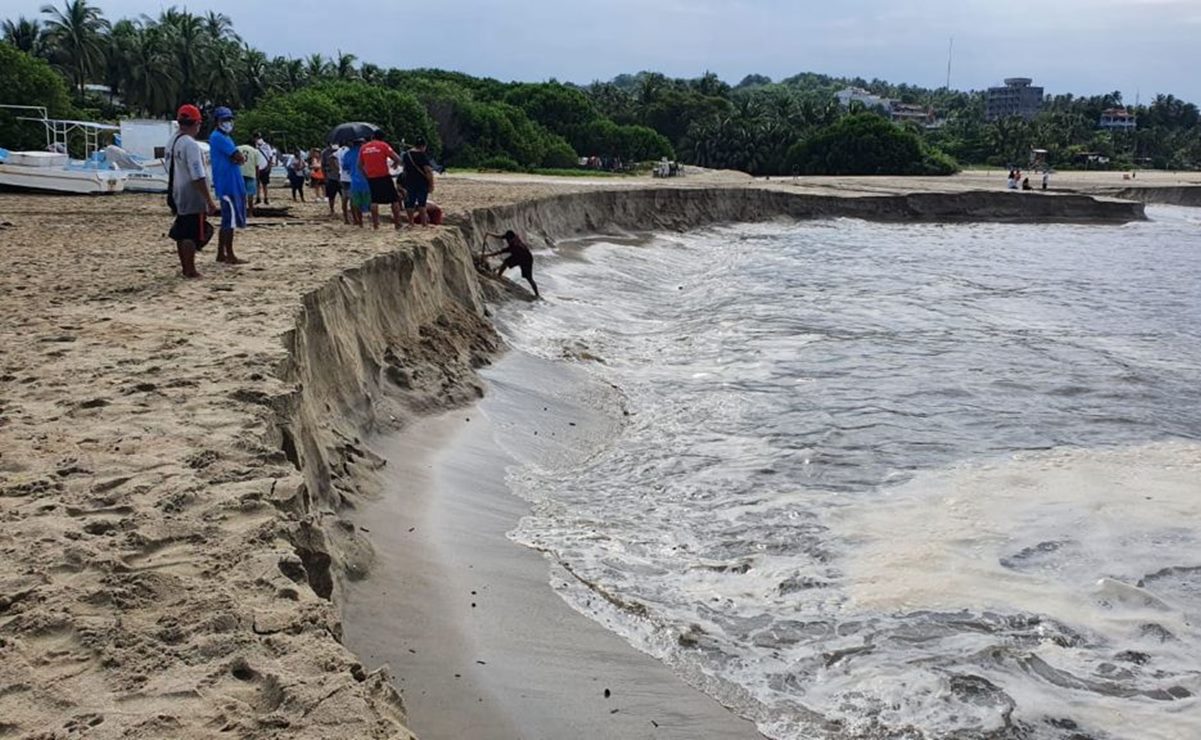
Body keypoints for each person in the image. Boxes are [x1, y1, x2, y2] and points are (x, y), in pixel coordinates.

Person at [166, 104, 219, 279]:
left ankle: (185, 267)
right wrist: (209, 200)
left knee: (183, 229)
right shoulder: (191, 145)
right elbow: (198, 175)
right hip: (191, 192)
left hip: (175, 190)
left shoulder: (172, 141)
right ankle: (190, 269)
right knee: (192, 231)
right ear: (196, 123)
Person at [208, 106, 248, 265]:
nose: (228, 123)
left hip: (230, 182)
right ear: (217, 121)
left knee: (227, 220)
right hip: (227, 184)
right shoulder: (219, 137)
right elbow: (238, 156)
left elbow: (238, 157)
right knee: (229, 221)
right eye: (225, 120)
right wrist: (237, 158)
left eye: (229, 119)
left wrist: (238, 158)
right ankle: (229, 254)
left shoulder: (224, 137)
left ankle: (220, 253)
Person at [359, 129, 404, 229]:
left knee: (374, 201)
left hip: (371, 177)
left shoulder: (364, 147)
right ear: (383, 138)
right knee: (394, 200)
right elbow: (398, 158)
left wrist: (366, 175)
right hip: (384, 176)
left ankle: (376, 224)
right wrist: (395, 164)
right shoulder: (384, 145)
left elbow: (360, 165)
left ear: (372, 136)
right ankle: (398, 223)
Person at [482, 230, 539, 298]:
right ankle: (499, 276)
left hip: (526, 260)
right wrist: (489, 233)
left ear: (511, 239)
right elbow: (500, 237)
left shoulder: (515, 245)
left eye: (508, 240)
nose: (507, 241)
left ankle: (537, 294)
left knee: (529, 278)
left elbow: (500, 252)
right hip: (519, 256)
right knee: (505, 262)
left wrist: (486, 255)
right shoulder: (512, 239)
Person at [401, 137, 436, 226]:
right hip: (421, 182)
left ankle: (410, 222)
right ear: (423, 146)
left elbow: (404, 168)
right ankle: (424, 223)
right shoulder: (422, 155)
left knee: (410, 203)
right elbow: (428, 170)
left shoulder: (406, 155)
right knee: (422, 203)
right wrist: (431, 184)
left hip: (409, 181)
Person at [343, 138, 369, 227]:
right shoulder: (365, 151)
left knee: (356, 201)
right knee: (370, 201)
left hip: (354, 179)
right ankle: (374, 222)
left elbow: (345, 167)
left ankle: (359, 220)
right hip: (367, 179)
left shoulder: (348, 153)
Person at [237, 142, 265, 215]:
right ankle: (250, 213)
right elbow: (257, 166)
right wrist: (257, 177)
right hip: (250, 174)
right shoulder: (255, 151)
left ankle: (241, 212)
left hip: (239, 173)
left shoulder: (237, 149)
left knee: (240, 195)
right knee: (250, 194)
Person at [321, 144, 344, 218]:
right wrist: (325, 177)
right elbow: (323, 165)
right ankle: (332, 210)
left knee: (344, 196)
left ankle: (344, 210)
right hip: (331, 177)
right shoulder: (325, 152)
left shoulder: (342, 150)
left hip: (341, 177)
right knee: (331, 196)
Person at [253, 133, 274, 205]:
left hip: (265, 167)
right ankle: (258, 198)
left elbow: (270, 156)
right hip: (257, 167)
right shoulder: (255, 146)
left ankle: (266, 198)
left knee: (264, 184)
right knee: (257, 184)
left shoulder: (266, 146)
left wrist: (269, 167)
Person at [337, 144, 352, 224]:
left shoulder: (339, 150)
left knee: (344, 198)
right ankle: (354, 217)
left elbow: (332, 158)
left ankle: (346, 218)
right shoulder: (349, 151)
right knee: (352, 199)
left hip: (342, 176)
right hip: (350, 177)